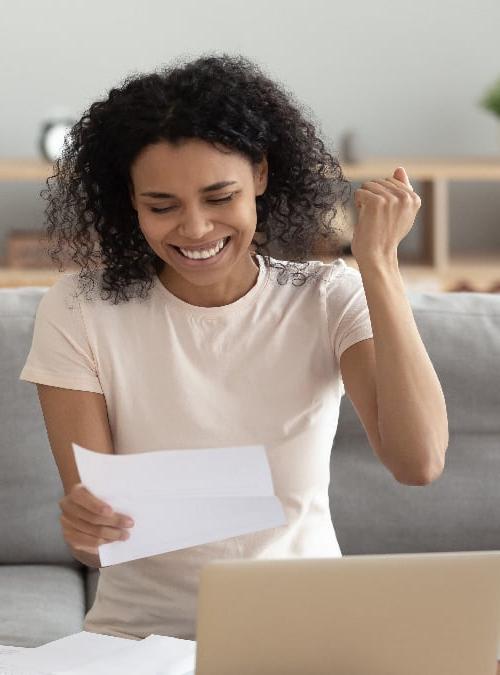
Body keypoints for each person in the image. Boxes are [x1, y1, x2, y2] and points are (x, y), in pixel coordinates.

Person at [19, 52, 448, 641]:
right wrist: (87, 526)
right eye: (161, 206)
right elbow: (98, 540)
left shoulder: (326, 298)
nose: (194, 229)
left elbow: (418, 462)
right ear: (130, 202)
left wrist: (377, 264)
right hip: (140, 638)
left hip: (306, 628)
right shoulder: (80, 308)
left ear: (262, 177)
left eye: (220, 197)